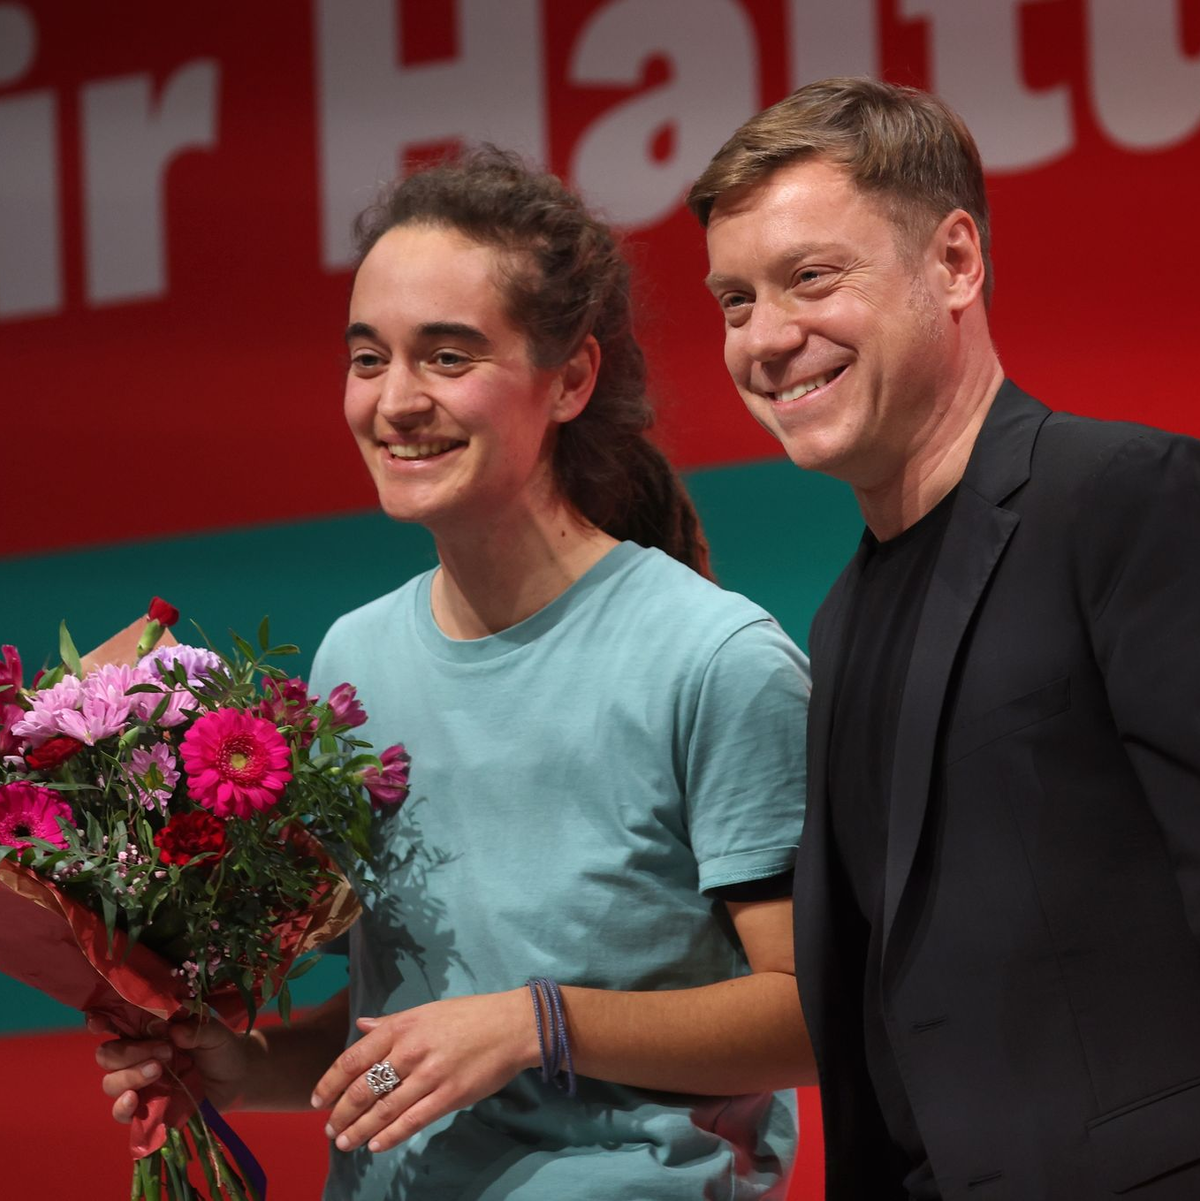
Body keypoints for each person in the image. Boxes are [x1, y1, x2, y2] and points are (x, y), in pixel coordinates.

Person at [94, 149, 814, 1199]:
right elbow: (402, 1039)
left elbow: (811, 1015)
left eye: (447, 356)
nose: (395, 402)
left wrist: (539, 1023)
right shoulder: (355, 661)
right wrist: (250, 1068)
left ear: (570, 379)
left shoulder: (716, 660)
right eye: (368, 357)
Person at [687, 77, 1200, 1200]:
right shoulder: (837, 617)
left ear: (956, 262)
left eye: (812, 278)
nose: (768, 339)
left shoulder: (1125, 500)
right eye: (735, 300)